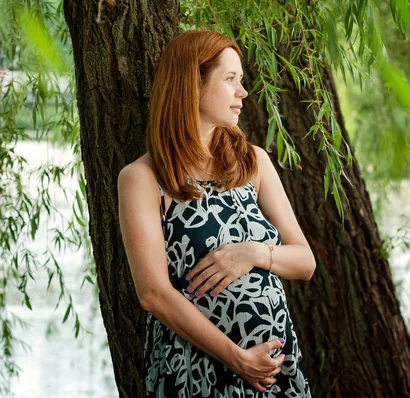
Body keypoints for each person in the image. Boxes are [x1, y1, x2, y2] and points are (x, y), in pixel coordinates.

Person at [117, 29, 315, 397]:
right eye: (230, 80)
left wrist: (254, 252)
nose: (243, 92)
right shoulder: (142, 179)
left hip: (274, 370)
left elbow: (305, 261)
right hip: (196, 370)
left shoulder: (254, 162)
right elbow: (154, 294)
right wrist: (237, 359)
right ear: (191, 84)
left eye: (241, 81)